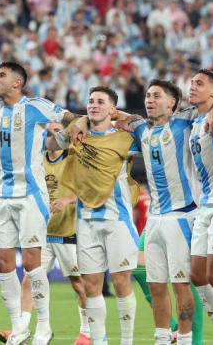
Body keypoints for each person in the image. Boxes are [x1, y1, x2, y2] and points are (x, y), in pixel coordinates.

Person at [0, 61, 80, 345]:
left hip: (31, 194)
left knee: (32, 263)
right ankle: (18, 328)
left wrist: (87, 120)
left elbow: (69, 115)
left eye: (1, 75)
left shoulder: (35, 106)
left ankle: (44, 326)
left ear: (17, 83)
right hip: (4, 196)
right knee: (4, 264)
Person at [49, 87, 140, 345]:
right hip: (86, 220)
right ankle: (99, 341)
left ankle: (127, 341)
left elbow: (145, 122)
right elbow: (50, 145)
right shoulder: (77, 134)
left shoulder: (126, 137)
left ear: (113, 108)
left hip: (117, 220)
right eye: (90, 101)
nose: (94, 105)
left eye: (101, 102)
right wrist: (73, 125)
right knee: (91, 287)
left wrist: (110, 117)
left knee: (122, 284)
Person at [0, 123, 90, 345]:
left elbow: (91, 187)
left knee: (79, 284)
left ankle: (86, 332)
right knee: (29, 280)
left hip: (70, 230)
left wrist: (67, 200)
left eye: (56, 132)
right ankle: (21, 329)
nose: (51, 137)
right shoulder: (36, 159)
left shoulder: (74, 157)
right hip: (43, 231)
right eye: (46, 133)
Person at [126, 80, 203, 345]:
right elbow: (120, 117)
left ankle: (187, 339)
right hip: (155, 219)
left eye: (157, 95)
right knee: (156, 284)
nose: (149, 99)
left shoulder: (185, 122)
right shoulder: (141, 129)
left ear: (172, 103)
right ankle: (161, 338)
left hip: (182, 216)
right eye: (147, 95)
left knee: (181, 285)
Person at [186, 70, 213, 344]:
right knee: (197, 274)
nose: (192, 86)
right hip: (205, 204)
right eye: (191, 82)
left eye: (199, 83)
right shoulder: (193, 120)